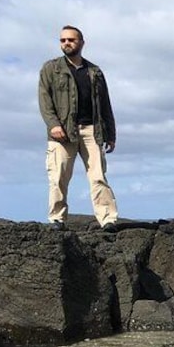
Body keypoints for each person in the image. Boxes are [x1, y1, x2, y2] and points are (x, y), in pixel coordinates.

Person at [38, 25, 119, 232]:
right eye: (63, 40)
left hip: (93, 130)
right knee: (58, 177)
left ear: (81, 42)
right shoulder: (51, 68)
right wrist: (54, 125)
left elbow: (105, 104)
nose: (67, 43)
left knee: (98, 176)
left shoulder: (95, 71)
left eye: (71, 40)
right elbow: (44, 100)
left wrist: (111, 134)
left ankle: (108, 219)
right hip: (62, 133)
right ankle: (57, 218)